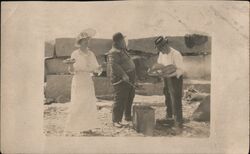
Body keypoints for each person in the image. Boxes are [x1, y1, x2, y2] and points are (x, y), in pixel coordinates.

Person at [64, 29, 102, 135]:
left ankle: (88, 127)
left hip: (87, 80)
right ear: (79, 42)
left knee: (88, 102)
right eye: (84, 41)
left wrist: (99, 68)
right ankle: (77, 126)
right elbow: (71, 71)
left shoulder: (91, 54)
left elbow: (95, 68)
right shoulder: (75, 54)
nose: (86, 42)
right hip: (78, 80)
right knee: (78, 102)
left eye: (87, 40)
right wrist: (70, 65)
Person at [107, 32, 136, 128]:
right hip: (120, 79)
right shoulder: (113, 52)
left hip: (129, 77)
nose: (124, 42)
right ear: (118, 42)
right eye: (123, 40)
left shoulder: (122, 50)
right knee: (120, 99)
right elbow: (114, 65)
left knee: (130, 96)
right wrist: (123, 74)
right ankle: (116, 120)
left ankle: (127, 116)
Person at [154, 36, 184, 128]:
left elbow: (180, 70)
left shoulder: (176, 54)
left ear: (165, 45)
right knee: (167, 97)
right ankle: (169, 116)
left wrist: (169, 75)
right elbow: (160, 65)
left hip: (176, 79)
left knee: (176, 99)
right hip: (166, 78)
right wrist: (157, 72)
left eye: (161, 48)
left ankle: (178, 121)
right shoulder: (161, 54)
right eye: (158, 49)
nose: (160, 51)